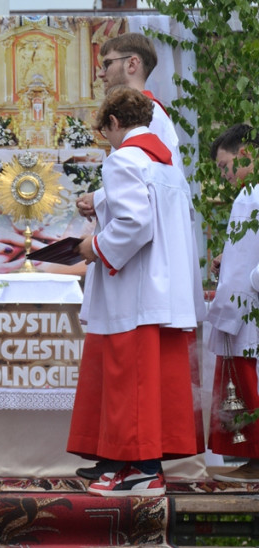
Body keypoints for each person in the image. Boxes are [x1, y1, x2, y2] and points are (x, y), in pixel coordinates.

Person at [75, 32, 202, 480]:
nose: (101, 70)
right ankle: (118, 456)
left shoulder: (138, 139)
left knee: (133, 371)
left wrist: (97, 246)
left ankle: (138, 462)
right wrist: (102, 199)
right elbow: (158, 191)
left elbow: (140, 212)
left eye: (107, 61)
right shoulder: (152, 145)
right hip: (151, 273)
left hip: (138, 274)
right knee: (131, 372)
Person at [206, 124, 259, 483]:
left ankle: (255, 459)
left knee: (246, 387)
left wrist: (229, 306)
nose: (225, 177)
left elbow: (246, 271)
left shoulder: (249, 197)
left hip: (247, 311)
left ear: (244, 155)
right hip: (248, 304)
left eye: (225, 167)